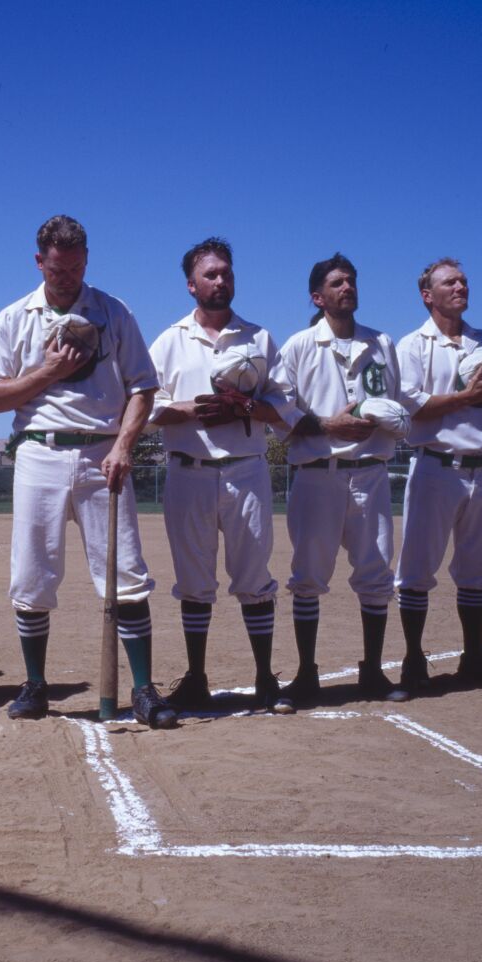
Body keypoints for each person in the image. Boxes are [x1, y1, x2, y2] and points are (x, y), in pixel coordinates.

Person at [0, 214, 175, 728]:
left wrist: (125, 446)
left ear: (87, 261)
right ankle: (36, 685)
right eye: (57, 269)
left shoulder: (113, 312)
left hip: (101, 454)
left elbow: (143, 388)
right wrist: (48, 372)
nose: (66, 278)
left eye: (76, 268)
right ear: (39, 261)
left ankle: (143, 690)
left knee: (125, 574)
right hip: (39, 452)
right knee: (32, 574)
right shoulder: (13, 318)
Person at [147, 237, 297, 714]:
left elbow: (285, 404)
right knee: (194, 581)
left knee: (254, 576)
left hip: (246, 471)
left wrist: (247, 406)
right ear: (191, 284)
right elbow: (146, 407)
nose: (220, 281)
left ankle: (264, 679)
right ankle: (195, 678)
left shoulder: (259, 338)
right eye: (210, 274)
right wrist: (188, 409)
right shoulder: (170, 339)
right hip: (188, 471)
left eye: (226, 273)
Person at [394, 258, 482, 692]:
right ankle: (414, 657)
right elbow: (411, 406)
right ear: (427, 295)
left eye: (463, 281)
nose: (460, 286)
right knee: (417, 568)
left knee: (477, 569)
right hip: (437, 465)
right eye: (449, 282)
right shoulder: (412, 346)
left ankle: (473, 654)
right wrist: (464, 397)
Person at [276, 253, 409, 703]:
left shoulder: (381, 342)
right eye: (336, 283)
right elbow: (280, 412)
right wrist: (327, 426)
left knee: (375, 573)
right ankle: (306, 675)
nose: (346, 287)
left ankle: (372, 671)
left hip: (371, 472)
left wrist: (389, 420)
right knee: (309, 575)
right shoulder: (298, 346)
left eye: (351, 281)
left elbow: (394, 401)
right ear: (318, 296)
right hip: (318, 473)